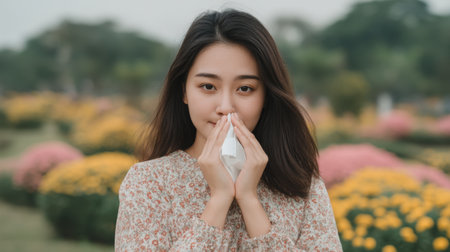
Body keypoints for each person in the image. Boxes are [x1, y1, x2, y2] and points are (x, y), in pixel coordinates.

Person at [115, 8, 342, 251]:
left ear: (266, 95)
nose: (225, 107)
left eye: (245, 88)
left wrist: (249, 200)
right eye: (208, 86)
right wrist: (219, 200)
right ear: (184, 91)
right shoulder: (148, 183)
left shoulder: (303, 186)